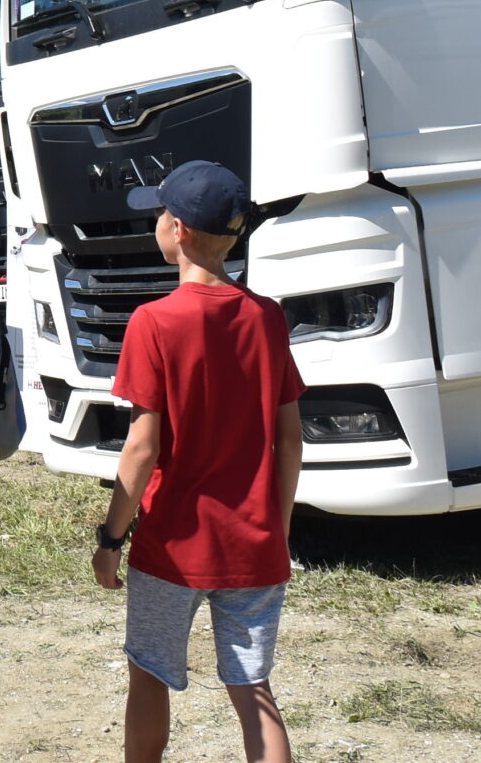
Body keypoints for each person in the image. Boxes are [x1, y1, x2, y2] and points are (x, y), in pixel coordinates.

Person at [93, 161, 303, 763]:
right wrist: (278, 528)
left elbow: (143, 447)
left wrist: (111, 539)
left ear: (178, 230)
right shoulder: (267, 317)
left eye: (161, 214)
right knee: (255, 690)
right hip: (254, 545)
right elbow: (290, 439)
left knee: (148, 674)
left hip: (172, 546)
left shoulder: (154, 322)